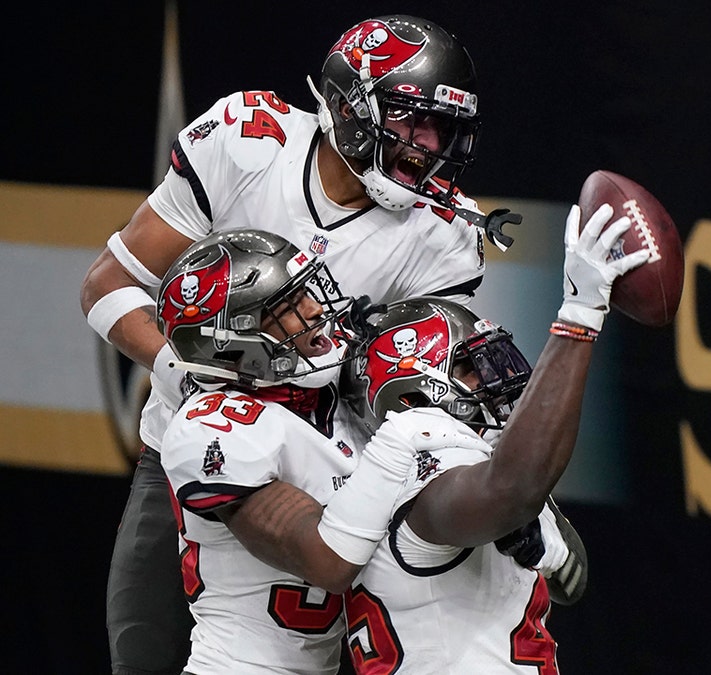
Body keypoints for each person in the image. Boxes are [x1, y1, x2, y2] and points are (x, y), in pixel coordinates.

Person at [79, 15, 533, 675]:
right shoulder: (245, 140)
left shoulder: (444, 236)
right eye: (411, 121)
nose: (428, 146)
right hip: (197, 460)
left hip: (333, 478)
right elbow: (109, 282)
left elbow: (412, 393)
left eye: (444, 129)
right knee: (145, 655)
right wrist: (185, 370)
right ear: (350, 106)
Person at [223, 199, 647, 672]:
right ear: (410, 397)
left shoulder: (465, 470)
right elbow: (513, 490)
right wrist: (579, 316)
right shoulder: (426, 468)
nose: (494, 377)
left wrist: (539, 537)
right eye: (470, 366)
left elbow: (570, 579)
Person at [156, 229, 363, 674]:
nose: (313, 311)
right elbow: (327, 560)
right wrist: (401, 459)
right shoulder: (212, 429)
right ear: (232, 342)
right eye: (287, 309)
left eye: (305, 293)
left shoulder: (329, 397)